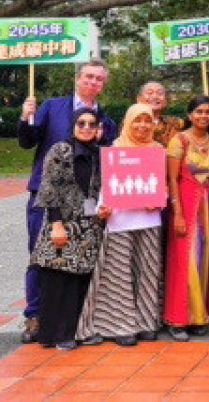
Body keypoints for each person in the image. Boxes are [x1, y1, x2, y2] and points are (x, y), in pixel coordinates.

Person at [16, 59, 117, 344]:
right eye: (88, 76)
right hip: (46, 197)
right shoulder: (51, 106)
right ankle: (35, 315)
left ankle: (74, 320)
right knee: (41, 255)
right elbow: (27, 141)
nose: (93, 82)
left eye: (98, 78)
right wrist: (26, 118)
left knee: (79, 260)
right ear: (77, 79)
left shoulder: (106, 120)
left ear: (103, 84)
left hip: (85, 204)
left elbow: (107, 160)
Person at [75, 104, 165, 347]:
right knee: (118, 273)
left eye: (147, 121)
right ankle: (120, 326)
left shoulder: (157, 149)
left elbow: (162, 184)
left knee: (147, 271)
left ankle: (146, 322)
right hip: (120, 219)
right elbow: (105, 184)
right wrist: (101, 208)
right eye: (137, 120)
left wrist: (159, 200)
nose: (142, 126)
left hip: (149, 219)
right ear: (127, 122)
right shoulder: (116, 148)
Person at [30, 108, 109, 349]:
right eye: (81, 123)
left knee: (80, 282)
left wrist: (104, 210)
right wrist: (56, 225)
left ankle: (77, 330)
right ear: (73, 126)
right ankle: (55, 334)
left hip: (88, 227)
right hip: (62, 225)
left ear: (98, 129)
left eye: (91, 124)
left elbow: (102, 189)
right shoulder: (60, 150)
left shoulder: (99, 154)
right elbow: (48, 187)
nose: (86, 128)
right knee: (58, 281)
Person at [163, 96, 209, 341]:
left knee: (205, 259)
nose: (203, 116)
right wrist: (177, 212)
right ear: (189, 115)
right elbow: (172, 180)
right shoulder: (178, 141)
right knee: (185, 261)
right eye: (198, 111)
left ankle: (199, 316)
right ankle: (178, 318)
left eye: (208, 112)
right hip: (186, 205)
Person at [136, 81, 182, 146]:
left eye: (160, 94)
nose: (155, 96)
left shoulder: (176, 123)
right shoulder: (131, 123)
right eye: (150, 93)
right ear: (139, 99)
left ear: (165, 100)